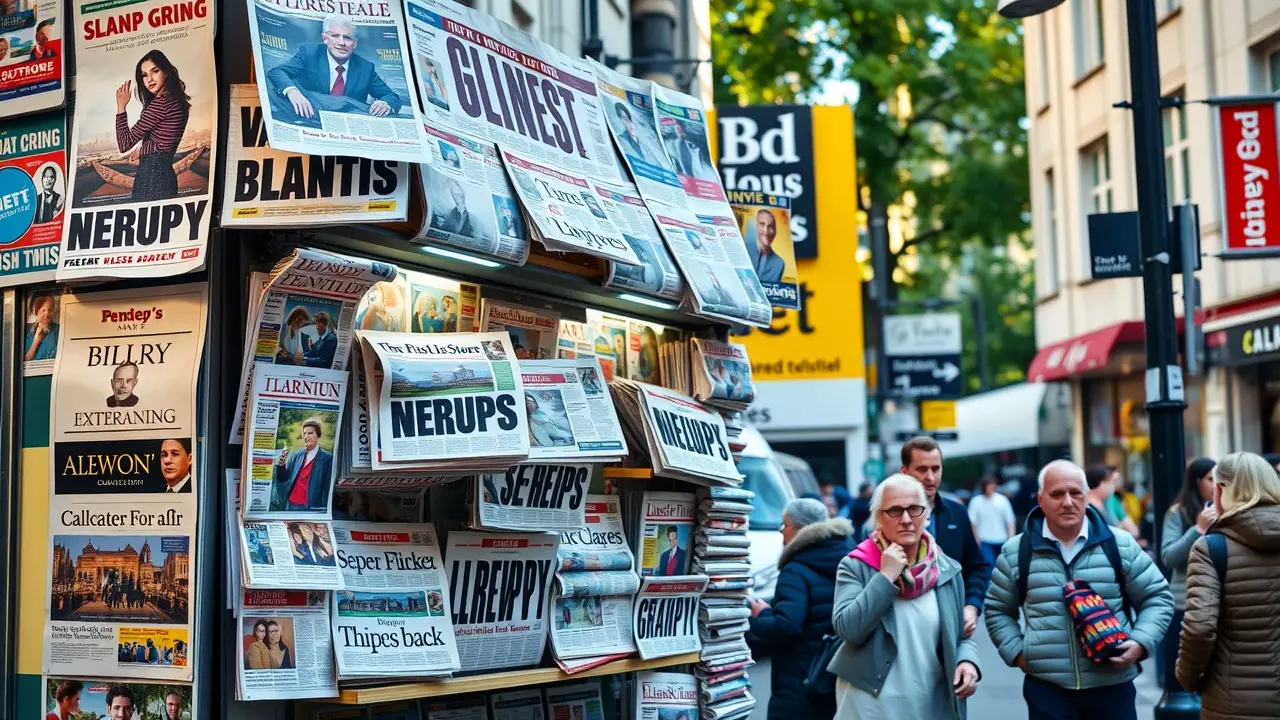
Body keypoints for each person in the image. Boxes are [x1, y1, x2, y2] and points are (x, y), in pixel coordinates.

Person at [984, 460, 1173, 720]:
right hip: (1048, 691)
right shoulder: (1017, 551)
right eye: (1057, 494)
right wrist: (1017, 653)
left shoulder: (1119, 545)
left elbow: (1158, 597)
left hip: (1113, 687)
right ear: (1040, 499)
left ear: (1086, 497)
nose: (1068, 502)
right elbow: (997, 610)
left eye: (1075, 493)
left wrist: (1141, 642)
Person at [829, 474, 981, 720]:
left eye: (914, 509)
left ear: (928, 514)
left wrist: (968, 661)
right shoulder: (855, 566)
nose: (907, 519)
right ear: (878, 517)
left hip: (930, 705)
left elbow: (959, 637)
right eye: (895, 511)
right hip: (869, 708)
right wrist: (886, 576)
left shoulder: (947, 570)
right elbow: (848, 629)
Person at [1177, 451, 1280, 718]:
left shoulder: (1211, 549)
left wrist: (1187, 678)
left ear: (1221, 491)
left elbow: (1199, 627)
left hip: (1233, 699)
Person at [746, 498, 853, 720]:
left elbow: (786, 625)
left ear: (801, 530)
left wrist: (762, 614)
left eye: (785, 525)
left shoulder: (795, 569)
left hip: (798, 685)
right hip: (836, 681)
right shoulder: (851, 557)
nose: (782, 532)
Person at [899, 436, 989, 637]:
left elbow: (977, 567)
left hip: (951, 627)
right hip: (905, 631)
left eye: (936, 469)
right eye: (922, 469)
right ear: (904, 472)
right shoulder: (887, 517)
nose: (930, 477)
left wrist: (972, 606)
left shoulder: (956, 512)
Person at [267, 15, 402, 121]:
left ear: (354, 44)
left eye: (347, 38)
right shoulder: (309, 53)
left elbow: (391, 96)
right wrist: (293, 91)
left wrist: (386, 103)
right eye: (335, 36)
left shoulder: (365, 67)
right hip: (311, 118)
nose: (341, 43)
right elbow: (277, 72)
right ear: (325, 38)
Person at [115, 50, 191, 202]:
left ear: (166, 72)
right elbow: (165, 141)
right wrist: (144, 150)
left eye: (155, 71)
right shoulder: (176, 100)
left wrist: (121, 107)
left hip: (152, 177)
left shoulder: (161, 103)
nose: (149, 79)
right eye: (144, 75)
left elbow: (124, 143)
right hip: (164, 176)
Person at [1161, 458, 1216, 613]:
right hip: (1186, 602)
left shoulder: (1225, 508)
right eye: (1211, 479)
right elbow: (1168, 557)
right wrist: (1198, 529)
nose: (1216, 484)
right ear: (1198, 482)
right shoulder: (1178, 512)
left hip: (1218, 599)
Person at [273, 418, 333, 511]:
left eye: (310, 433)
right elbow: (285, 479)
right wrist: (281, 465)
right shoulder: (297, 455)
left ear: (318, 435)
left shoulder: (327, 458)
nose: (306, 436)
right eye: (304, 433)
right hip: (291, 504)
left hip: (311, 507)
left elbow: (328, 487)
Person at [968, 476, 1016, 567]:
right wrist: (976, 540)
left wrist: (1011, 539)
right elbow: (973, 523)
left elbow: (1010, 521)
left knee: (1002, 566)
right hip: (985, 540)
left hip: (1002, 539)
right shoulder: (976, 502)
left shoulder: (1002, 500)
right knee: (989, 564)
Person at [1085, 464, 1141, 539]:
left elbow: (1132, 530)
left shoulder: (1108, 502)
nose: (1113, 485)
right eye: (1110, 481)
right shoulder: (1089, 506)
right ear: (1100, 483)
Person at [752, 209, 786, 284]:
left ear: (775, 231)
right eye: (762, 224)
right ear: (756, 227)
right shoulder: (744, 251)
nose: (766, 231)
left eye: (770, 226)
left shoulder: (779, 263)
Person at [23, 294, 58, 362]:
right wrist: (36, 341)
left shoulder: (59, 331)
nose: (47, 314)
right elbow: (22, 362)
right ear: (34, 310)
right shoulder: (24, 331)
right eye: (43, 310)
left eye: (50, 309)